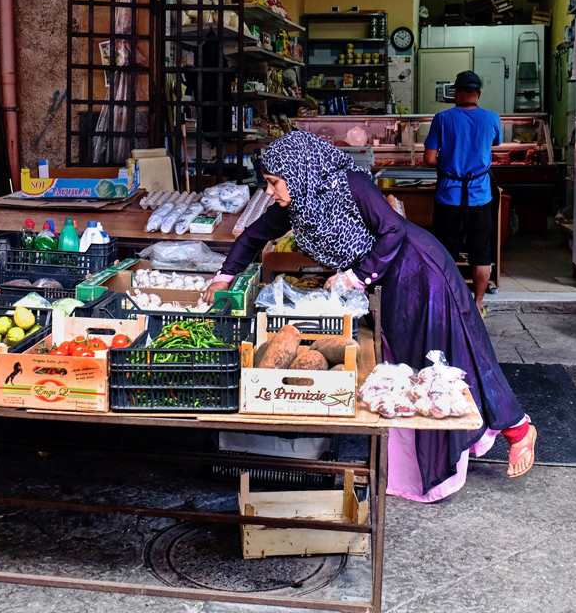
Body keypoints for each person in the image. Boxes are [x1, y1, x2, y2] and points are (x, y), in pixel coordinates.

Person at [204, 131, 536, 501]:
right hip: (388, 283)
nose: (269, 191)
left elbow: (392, 229)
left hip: (420, 271)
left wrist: (355, 276)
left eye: (272, 182)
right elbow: (253, 236)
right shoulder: (299, 202)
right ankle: (416, 466)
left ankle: (518, 430)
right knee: (404, 369)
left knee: (453, 355)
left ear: (297, 172)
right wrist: (223, 277)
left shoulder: (349, 185)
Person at [423, 70, 500, 315]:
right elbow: (494, 144)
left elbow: (428, 158)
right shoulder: (491, 118)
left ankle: (450, 303)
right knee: (481, 253)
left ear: (456, 93)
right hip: (480, 196)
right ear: (478, 93)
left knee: (445, 252)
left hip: (449, 195)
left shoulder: (442, 118)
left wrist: (449, 159)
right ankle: (477, 304)